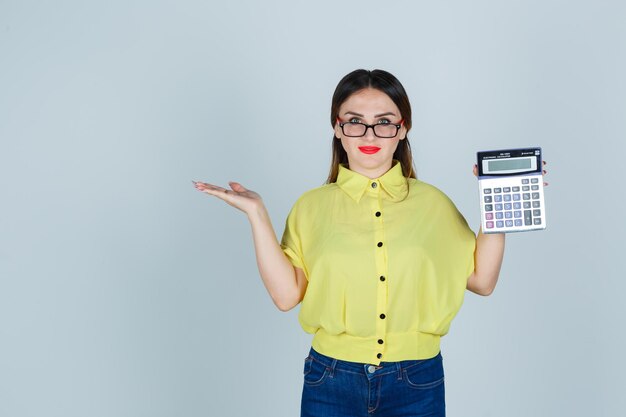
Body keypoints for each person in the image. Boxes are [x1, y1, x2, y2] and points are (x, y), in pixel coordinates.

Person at [193, 69, 546, 417]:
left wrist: (498, 206)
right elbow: (287, 296)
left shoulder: (434, 204)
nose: (370, 133)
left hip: (416, 379)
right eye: (355, 121)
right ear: (337, 127)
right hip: (330, 379)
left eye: (384, 122)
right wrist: (257, 215)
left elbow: (482, 281)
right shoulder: (311, 206)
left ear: (403, 128)